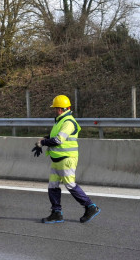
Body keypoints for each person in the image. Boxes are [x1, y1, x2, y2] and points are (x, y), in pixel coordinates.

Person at [34, 95, 101, 224]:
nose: (55, 111)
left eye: (56, 108)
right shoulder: (60, 121)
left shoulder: (68, 122)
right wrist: (43, 140)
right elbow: (53, 136)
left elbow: (58, 140)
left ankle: (91, 207)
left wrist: (43, 143)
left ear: (60, 109)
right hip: (57, 159)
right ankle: (56, 213)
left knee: (70, 184)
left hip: (67, 159)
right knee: (52, 186)